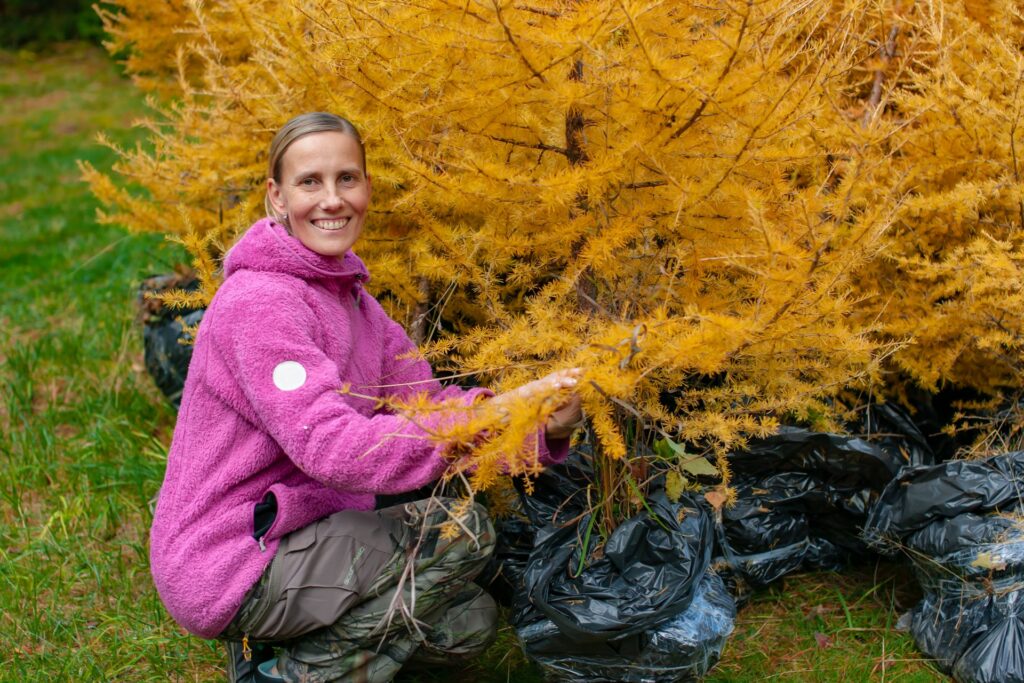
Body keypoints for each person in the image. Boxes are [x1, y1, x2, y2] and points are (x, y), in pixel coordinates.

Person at [148, 112, 583, 683]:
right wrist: (500, 409)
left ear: (366, 189)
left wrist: (538, 427)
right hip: (230, 557)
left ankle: (273, 647)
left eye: (347, 179)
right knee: (461, 532)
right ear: (276, 198)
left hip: (297, 532)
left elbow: (424, 409)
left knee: (465, 624)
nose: (332, 199)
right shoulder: (261, 304)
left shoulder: (357, 307)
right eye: (310, 182)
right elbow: (332, 449)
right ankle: (281, 676)